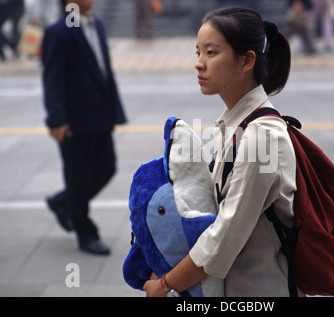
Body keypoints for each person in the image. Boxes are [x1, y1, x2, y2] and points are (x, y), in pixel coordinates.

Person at [143, 6, 302, 297]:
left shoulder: (262, 138)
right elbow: (209, 211)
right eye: (198, 52)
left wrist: (165, 285)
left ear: (246, 61)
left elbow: (223, 240)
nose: (199, 64)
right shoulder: (234, 124)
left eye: (211, 53)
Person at [41, 0, 127, 255]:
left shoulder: (97, 25)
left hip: (100, 114)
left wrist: (114, 110)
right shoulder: (58, 32)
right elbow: (52, 80)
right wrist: (57, 119)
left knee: (107, 167)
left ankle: (63, 202)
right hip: (75, 119)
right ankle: (86, 233)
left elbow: (103, 72)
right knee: (78, 178)